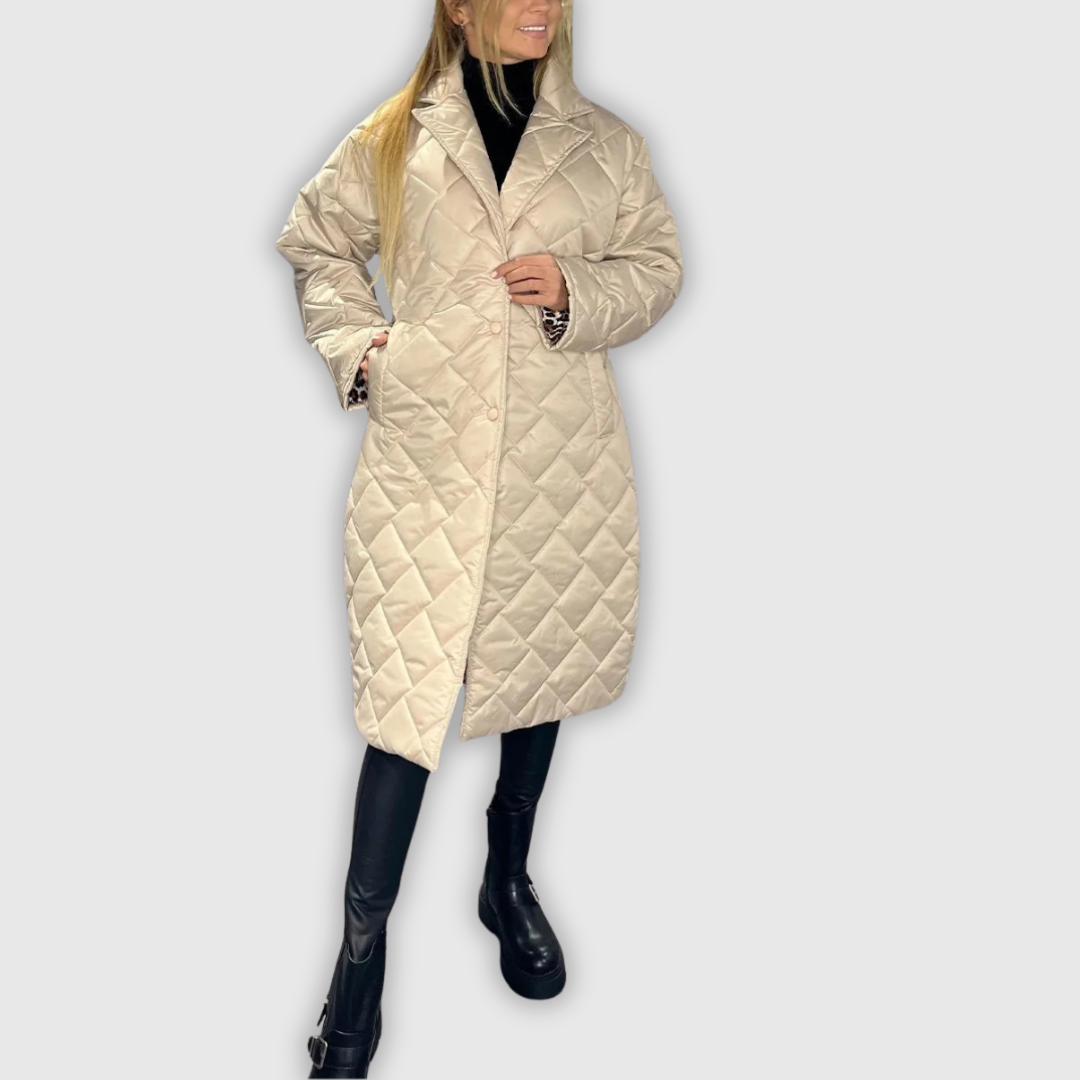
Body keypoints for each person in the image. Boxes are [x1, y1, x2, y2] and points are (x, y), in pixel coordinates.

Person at [276, 1, 683, 1074]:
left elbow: (658, 265)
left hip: (558, 461)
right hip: (426, 463)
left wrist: (579, 290)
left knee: (538, 664)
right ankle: (358, 966)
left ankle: (506, 879)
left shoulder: (608, 144)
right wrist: (363, 351)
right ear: (458, 4)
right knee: (406, 707)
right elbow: (315, 242)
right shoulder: (394, 138)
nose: (542, 4)